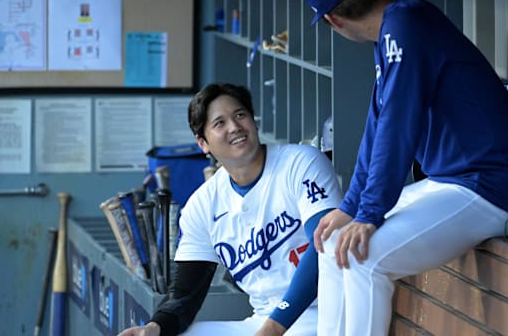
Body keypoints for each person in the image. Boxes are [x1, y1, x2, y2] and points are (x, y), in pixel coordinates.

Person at [302, 0, 508, 335]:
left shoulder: (405, 25)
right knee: (332, 243)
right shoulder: (395, 27)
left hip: (491, 187)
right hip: (456, 182)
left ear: (333, 20)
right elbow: (377, 128)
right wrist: (351, 208)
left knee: (363, 257)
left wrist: (369, 212)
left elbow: (397, 128)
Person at [117, 83, 342, 336]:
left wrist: (274, 328)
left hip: (322, 312)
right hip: (262, 321)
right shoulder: (202, 205)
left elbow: (324, 243)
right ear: (203, 143)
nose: (234, 127)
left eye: (240, 115)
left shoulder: (301, 162)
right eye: (219, 123)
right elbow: (185, 294)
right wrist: (154, 327)